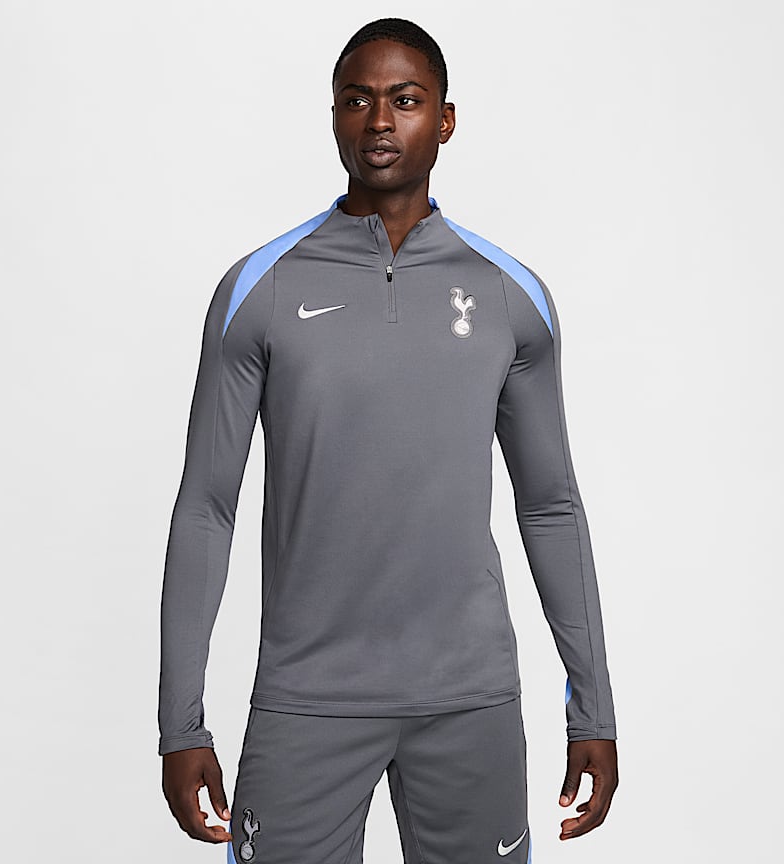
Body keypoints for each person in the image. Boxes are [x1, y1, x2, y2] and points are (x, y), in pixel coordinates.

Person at [158, 17, 618, 863]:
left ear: (445, 119)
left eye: (405, 100)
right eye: (357, 100)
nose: (379, 121)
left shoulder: (508, 295)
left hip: (469, 700)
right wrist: (180, 723)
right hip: (307, 699)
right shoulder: (261, 287)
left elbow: (551, 505)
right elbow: (206, 508)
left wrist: (594, 709)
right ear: (333, 116)